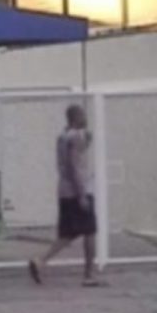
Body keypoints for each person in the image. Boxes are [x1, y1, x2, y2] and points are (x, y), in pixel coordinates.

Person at [29, 104, 103, 287]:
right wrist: (82, 194)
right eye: (83, 116)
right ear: (75, 118)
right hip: (77, 190)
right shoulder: (75, 138)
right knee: (90, 231)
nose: (86, 119)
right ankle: (88, 275)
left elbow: (74, 155)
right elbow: (75, 166)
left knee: (69, 233)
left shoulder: (62, 137)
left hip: (64, 190)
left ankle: (41, 261)